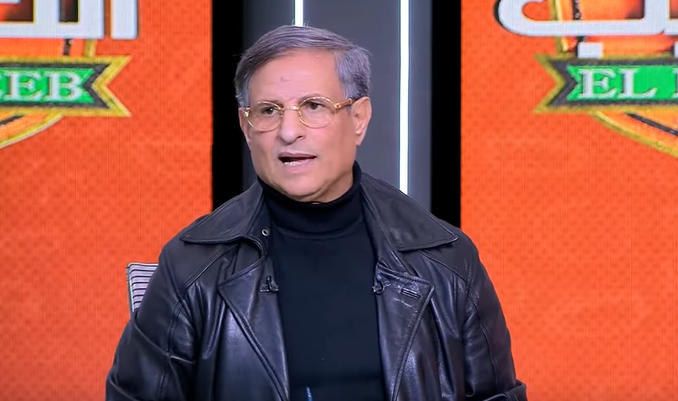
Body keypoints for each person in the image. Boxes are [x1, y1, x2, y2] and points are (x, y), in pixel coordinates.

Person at [105, 24, 527, 401]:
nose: (289, 132)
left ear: (358, 118)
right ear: (246, 128)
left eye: (313, 106)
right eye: (268, 111)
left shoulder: (446, 258)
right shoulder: (191, 265)